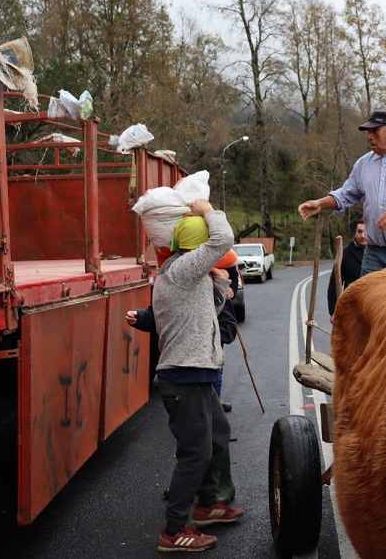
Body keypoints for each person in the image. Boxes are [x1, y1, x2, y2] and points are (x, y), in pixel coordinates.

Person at [151, 199, 243, 553]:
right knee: (195, 454)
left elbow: (208, 312)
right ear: (195, 248)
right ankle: (174, 530)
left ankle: (206, 506)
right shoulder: (182, 269)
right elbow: (223, 239)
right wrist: (207, 209)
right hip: (182, 375)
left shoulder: (190, 276)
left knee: (218, 436)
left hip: (198, 374)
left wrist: (222, 284)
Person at [297, 110, 386, 276]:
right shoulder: (363, 164)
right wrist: (320, 204)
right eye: (368, 131)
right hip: (375, 253)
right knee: (365, 300)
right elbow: (346, 194)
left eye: (375, 130)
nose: (369, 136)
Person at [328, 220, 367, 319]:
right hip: (351, 306)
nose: (363, 235)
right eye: (360, 232)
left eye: (366, 232)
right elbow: (334, 284)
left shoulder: (379, 253)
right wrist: (333, 311)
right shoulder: (345, 253)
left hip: (373, 306)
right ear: (355, 232)